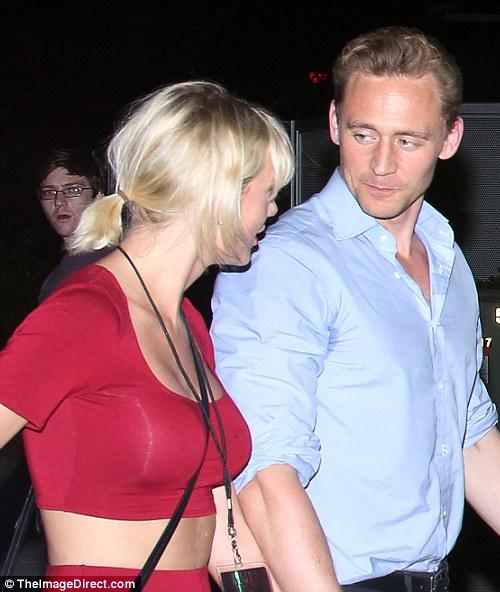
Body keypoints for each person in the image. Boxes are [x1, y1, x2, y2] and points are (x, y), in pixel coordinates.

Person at [211, 27, 500, 592]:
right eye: (363, 134)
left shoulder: (444, 256)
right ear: (334, 123)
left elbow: (467, 432)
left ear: (449, 138)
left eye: (408, 141)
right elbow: (265, 472)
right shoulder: (289, 263)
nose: (381, 164)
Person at [0, 80, 293, 591]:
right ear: (216, 192)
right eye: (266, 193)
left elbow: (220, 522)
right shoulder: (85, 313)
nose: (272, 210)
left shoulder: (186, 323)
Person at [36, 147, 111, 301]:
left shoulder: (110, 264)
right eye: (49, 193)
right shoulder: (57, 276)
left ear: (98, 196)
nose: (59, 202)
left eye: (72, 190)